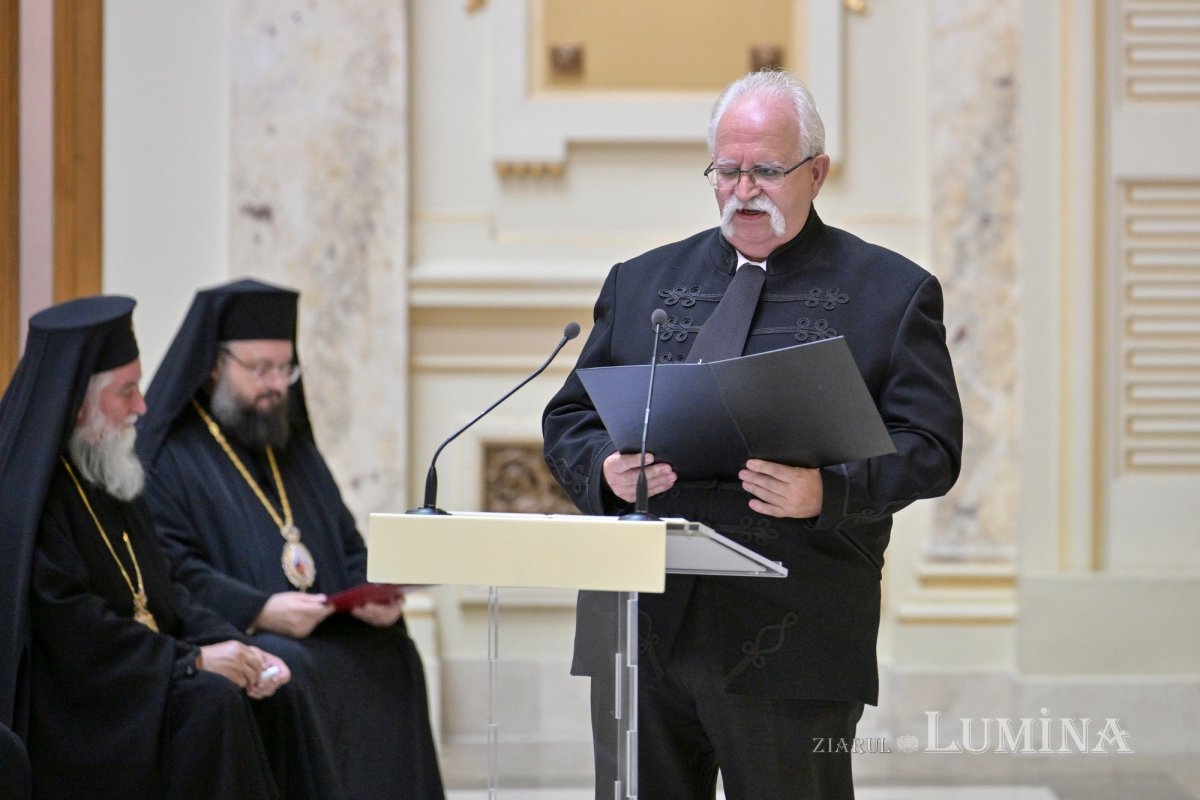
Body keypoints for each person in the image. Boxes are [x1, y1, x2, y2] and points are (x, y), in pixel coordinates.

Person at [542, 70, 964, 799]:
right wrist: (606, 470)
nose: (744, 191)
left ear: (817, 173)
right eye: (727, 171)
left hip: (791, 634)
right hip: (641, 626)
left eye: (767, 171)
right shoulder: (640, 282)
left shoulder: (891, 293)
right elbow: (571, 418)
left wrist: (827, 490)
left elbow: (931, 447)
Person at [0, 295, 341, 800]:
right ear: (77, 402)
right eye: (126, 391)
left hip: (141, 673)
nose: (142, 406)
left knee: (275, 693)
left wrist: (241, 648)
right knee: (210, 703)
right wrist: (189, 662)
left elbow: (167, 593)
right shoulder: (25, 495)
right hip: (80, 709)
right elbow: (74, 630)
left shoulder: (110, 470)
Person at [137, 278, 444, 800]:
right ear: (214, 365)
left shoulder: (290, 443)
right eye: (259, 369)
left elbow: (345, 539)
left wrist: (373, 593)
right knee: (289, 663)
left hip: (317, 626)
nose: (276, 385)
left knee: (394, 650)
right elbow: (172, 569)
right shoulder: (168, 455)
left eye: (286, 369)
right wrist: (259, 610)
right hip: (235, 630)